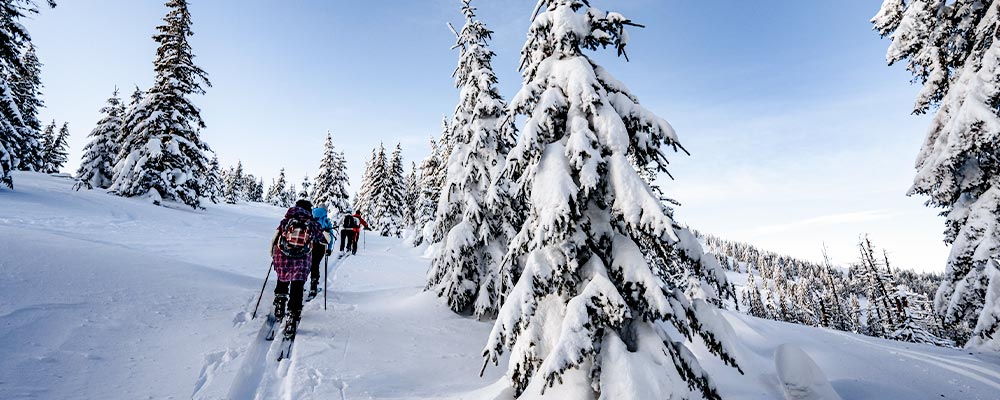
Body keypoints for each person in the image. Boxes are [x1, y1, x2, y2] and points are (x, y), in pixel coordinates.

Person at [270, 200, 326, 336]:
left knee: (282, 279)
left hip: (282, 257)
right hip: (301, 259)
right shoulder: (312, 223)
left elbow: (275, 238)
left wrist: (273, 253)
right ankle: (292, 316)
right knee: (297, 286)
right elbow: (323, 239)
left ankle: (280, 304)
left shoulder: (286, 221)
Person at [309, 204, 336, 298]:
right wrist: (329, 248)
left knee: (308, 264)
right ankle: (313, 287)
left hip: (310, 244)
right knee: (315, 264)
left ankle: (301, 284)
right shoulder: (326, 220)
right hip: (321, 245)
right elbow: (331, 236)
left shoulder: (311, 217)